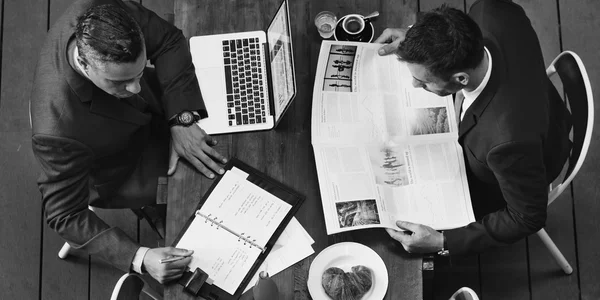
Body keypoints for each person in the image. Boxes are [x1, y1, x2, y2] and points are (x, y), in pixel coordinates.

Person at [30, 0, 226, 283]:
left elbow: (169, 40)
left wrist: (181, 119)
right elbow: (65, 214)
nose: (136, 87)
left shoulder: (102, 12)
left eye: (137, 74)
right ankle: (151, 209)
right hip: (119, 168)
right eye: (119, 82)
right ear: (84, 64)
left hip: (155, 113)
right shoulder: (57, 133)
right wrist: (140, 256)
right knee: (198, 193)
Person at [375, 0, 572, 256]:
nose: (414, 85)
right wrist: (418, 42)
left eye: (423, 82)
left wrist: (443, 242)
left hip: (512, 173)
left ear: (461, 79)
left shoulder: (507, 141)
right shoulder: (491, 10)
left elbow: (528, 218)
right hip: (539, 105)